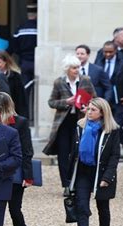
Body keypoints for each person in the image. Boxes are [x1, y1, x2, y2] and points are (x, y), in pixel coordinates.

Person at [67, 98, 120, 226]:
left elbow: (114, 155)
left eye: (93, 110)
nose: (88, 112)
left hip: (101, 173)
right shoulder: (80, 126)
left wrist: (107, 177)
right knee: (82, 207)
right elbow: (73, 151)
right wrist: (69, 176)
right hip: (83, 171)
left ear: (102, 112)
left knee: (102, 208)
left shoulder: (112, 130)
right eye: (88, 109)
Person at [43, 55, 96, 192]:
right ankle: (66, 184)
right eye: (74, 67)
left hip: (80, 121)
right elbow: (51, 102)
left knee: (77, 152)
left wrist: (87, 108)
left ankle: (78, 183)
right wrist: (66, 102)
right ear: (67, 69)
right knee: (63, 154)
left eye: (78, 67)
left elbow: (95, 99)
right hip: (63, 123)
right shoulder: (59, 82)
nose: (77, 70)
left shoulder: (86, 80)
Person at [0, 92, 33, 226]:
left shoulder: (20, 122)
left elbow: (27, 150)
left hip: (14, 173)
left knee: (15, 210)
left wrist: (28, 176)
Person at [94, 41, 123, 163]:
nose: (108, 54)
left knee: (117, 126)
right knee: (104, 126)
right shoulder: (99, 61)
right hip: (104, 99)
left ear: (116, 51)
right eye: (105, 52)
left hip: (120, 101)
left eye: (110, 52)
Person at [0, 50, 29, 118]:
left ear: (5, 62)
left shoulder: (15, 77)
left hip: (11, 112)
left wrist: (22, 117)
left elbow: (21, 99)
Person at [11, 4, 37, 86]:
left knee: (25, 86)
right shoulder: (40, 28)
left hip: (24, 61)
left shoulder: (20, 28)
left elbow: (14, 46)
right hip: (37, 61)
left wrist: (21, 54)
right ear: (36, 14)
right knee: (37, 86)